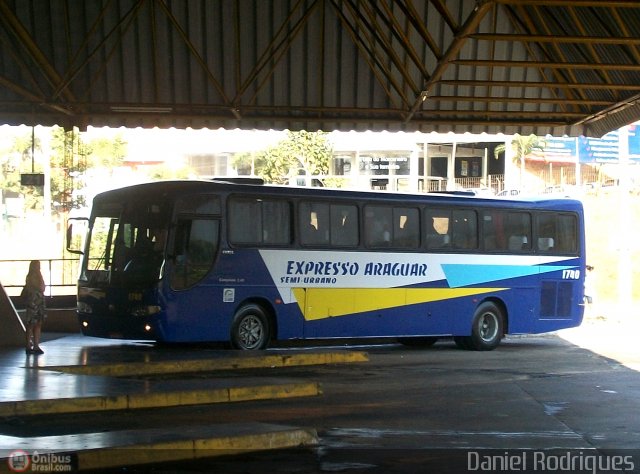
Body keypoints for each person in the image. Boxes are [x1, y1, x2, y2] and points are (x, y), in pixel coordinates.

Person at [23, 260, 46, 355]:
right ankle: (29, 345)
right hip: (33, 303)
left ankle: (36, 345)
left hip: (38, 302)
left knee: (38, 323)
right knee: (31, 324)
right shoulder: (32, 277)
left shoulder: (34, 276)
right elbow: (41, 287)